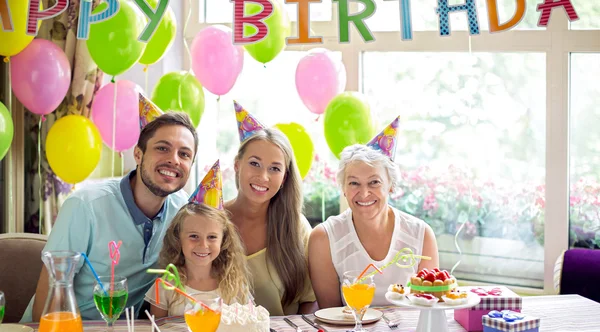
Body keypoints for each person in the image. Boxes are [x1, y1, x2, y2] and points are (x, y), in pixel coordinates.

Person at [25, 98, 198, 322]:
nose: (173, 160)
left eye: (184, 154)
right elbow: (48, 304)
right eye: (162, 148)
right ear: (138, 154)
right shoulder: (84, 206)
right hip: (67, 331)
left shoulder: (182, 210)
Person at [308, 117, 440, 308]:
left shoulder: (421, 235)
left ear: (391, 186)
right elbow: (332, 316)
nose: (364, 193)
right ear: (343, 188)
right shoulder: (324, 239)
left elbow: (427, 308)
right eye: (354, 183)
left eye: (374, 182)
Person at [223, 101, 317, 316]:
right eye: (254, 163)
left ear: (284, 178)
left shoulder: (296, 227)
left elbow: (310, 300)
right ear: (237, 165)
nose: (263, 177)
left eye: (274, 168)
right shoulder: (212, 221)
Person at [144, 161, 251, 317]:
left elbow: (247, 325)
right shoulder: (166, 286)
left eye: (212, 237)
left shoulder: (235, 285)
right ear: (178, 238)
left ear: (224, 240)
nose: (203, 245)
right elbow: (157, 331)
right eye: (194, 236)